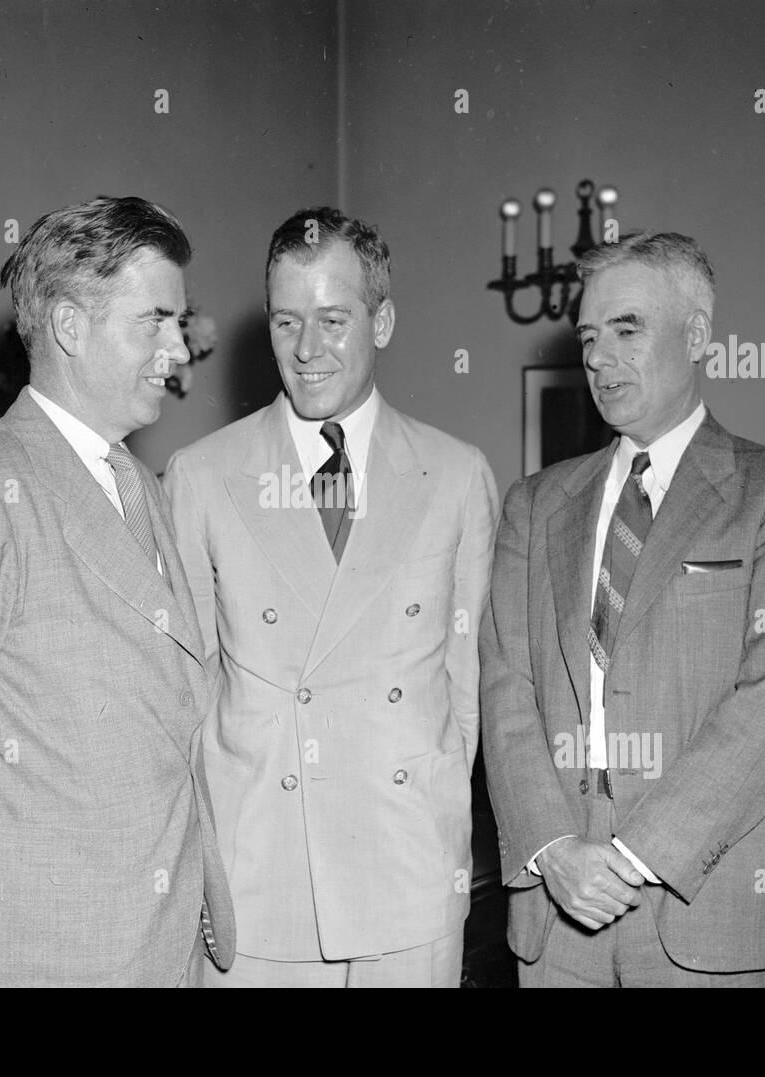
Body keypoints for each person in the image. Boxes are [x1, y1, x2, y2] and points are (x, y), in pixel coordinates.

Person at [0, 196, 234, 987]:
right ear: (68, 326)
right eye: (153, 321)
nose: (178, 348)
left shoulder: (138, 484)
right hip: (43, 958)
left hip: (165, 953)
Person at [480, 231, 765, 987]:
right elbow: (506, 689)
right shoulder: (534, 506)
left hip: (715, 906)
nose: (599, 357)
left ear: (697, 335)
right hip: (558, 906)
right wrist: (555, 848)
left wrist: (637, 854)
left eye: (627, 328)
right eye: (589, 336)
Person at [164, 207, 498, 987]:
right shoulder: (202, 475)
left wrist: (439, 829)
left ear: (381, 322)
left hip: (406, 875)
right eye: (286, 322)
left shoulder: (456, 476)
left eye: (333, 319)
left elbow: (465, 693)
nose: (307, 350)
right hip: (261, 883)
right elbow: (186, 694)